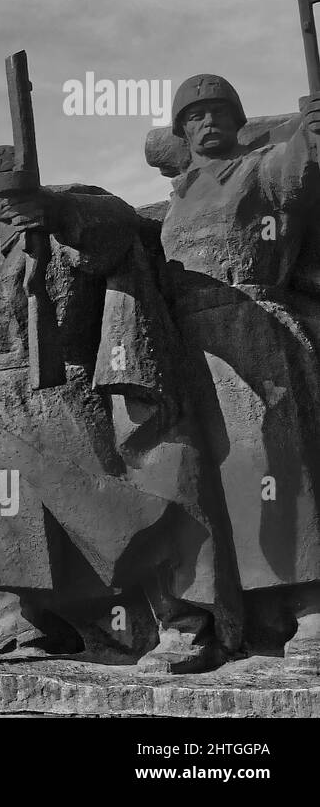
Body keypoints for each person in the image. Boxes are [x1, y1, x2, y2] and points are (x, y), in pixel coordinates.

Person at [0, 144, 225, 671]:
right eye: (0, 194)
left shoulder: (63, 224)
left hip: (56, 387)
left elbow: (116, 231)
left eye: (21, 191)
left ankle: (183, 626)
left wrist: (56, 208)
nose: (12, 202)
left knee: (110, 510)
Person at [161, 73, 320, 667]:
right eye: (194, 115)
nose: (207, 122)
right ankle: (223, 617)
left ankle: (309, 609)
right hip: (185, 351)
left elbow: (298, 175)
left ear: (236, 119)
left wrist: (311, 134)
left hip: (253, 329)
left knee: (275, 466)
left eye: (218, 111)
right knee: (197, 481)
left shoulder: (259, 167)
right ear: (181, 131)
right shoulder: (175, 197)